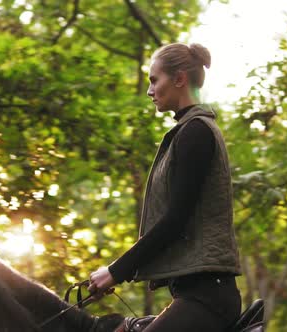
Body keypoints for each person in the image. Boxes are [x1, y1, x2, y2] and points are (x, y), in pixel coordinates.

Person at [88, 43, 242, 331]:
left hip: (207, 297)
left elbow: (175, 221)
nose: (149, 90)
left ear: (180, 79)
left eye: (154, 80)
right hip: (191, 295)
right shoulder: (188, 130)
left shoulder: (196, 132)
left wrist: (114, 272)